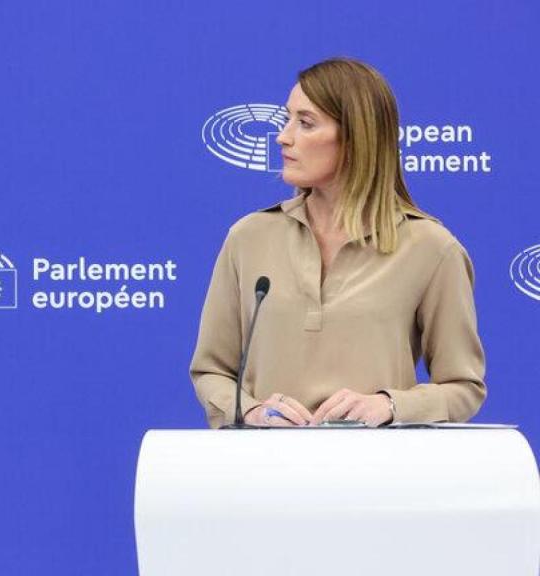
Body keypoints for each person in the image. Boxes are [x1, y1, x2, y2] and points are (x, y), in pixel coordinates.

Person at [189, 58, 485, 428]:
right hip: (263, 473)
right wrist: (248, 410)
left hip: (377, 475)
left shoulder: (431, 248)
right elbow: (211, 371)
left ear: (356, 138)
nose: (283, 136)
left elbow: (463, 387)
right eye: (287, 118)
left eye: (306, 123)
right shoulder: (248, 237)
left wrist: (390, 405)